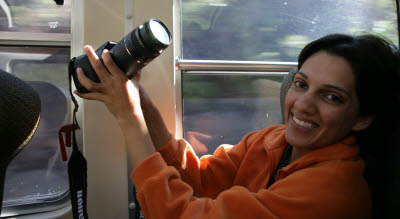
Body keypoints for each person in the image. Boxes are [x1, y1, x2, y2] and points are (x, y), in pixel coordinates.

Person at [75, 33, 400, 219]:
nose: (302, 105)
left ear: (363, 117)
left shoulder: (333, 193)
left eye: (331, 97)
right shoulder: (273, 140)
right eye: (301, 84)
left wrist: (128, 117)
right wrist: (140, 98)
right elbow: (198, 179)